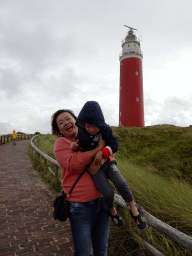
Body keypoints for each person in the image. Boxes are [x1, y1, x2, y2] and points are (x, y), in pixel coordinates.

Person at [71, 101, 147, 230]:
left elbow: (114, 145)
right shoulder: (81, 133)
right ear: (83, 124)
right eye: (88, 126)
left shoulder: (105, 129)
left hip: (108, 162)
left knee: (121, 183)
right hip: (94, 168)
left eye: (95, 126)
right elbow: (81, 148)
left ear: (100, 123)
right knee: (107, 192)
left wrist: (102, 152)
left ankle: (133, 209)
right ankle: (112, 211)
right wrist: (76, 147)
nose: (91, 129)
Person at [51, 109, 110, 256]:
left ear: (76, 120)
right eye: (61, 122)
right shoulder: (61, 143)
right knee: (82, 251)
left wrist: (102, 153)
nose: (66, 123)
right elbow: (74, 163)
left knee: (101, 250)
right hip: (80, 205)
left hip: (102, 201)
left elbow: (110, 154)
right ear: (58, 130)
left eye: (68, 118)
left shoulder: (92, 135)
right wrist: (98, 149)